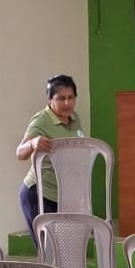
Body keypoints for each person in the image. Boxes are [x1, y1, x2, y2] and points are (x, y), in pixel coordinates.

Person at [16, 74, 84, 243]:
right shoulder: (41, 120)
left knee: (64, 249)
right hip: (40, 193)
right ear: (49, 100)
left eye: (70, 98)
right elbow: (20, 153)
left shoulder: (75, 118)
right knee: (48, 250)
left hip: (64, 197)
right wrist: (32, 143)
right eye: (61, 98)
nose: (67, 103)